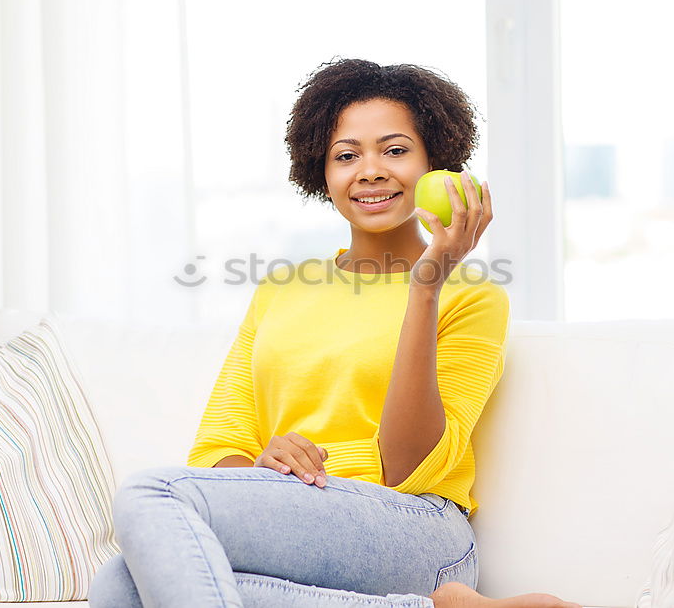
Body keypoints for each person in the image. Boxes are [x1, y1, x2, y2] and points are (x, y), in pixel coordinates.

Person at [89, 58, 580, 608]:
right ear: (321, 174)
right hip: (294, 518)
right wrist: (261, 465)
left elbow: (409, 467)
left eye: (395, 151)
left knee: (150, 494)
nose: (369, 171)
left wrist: (425, 287)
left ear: (435, 164)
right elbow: (216, 451)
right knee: (119, 587)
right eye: (346, 156)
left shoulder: (471, 296)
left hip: (415, 529)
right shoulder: (280, 290)